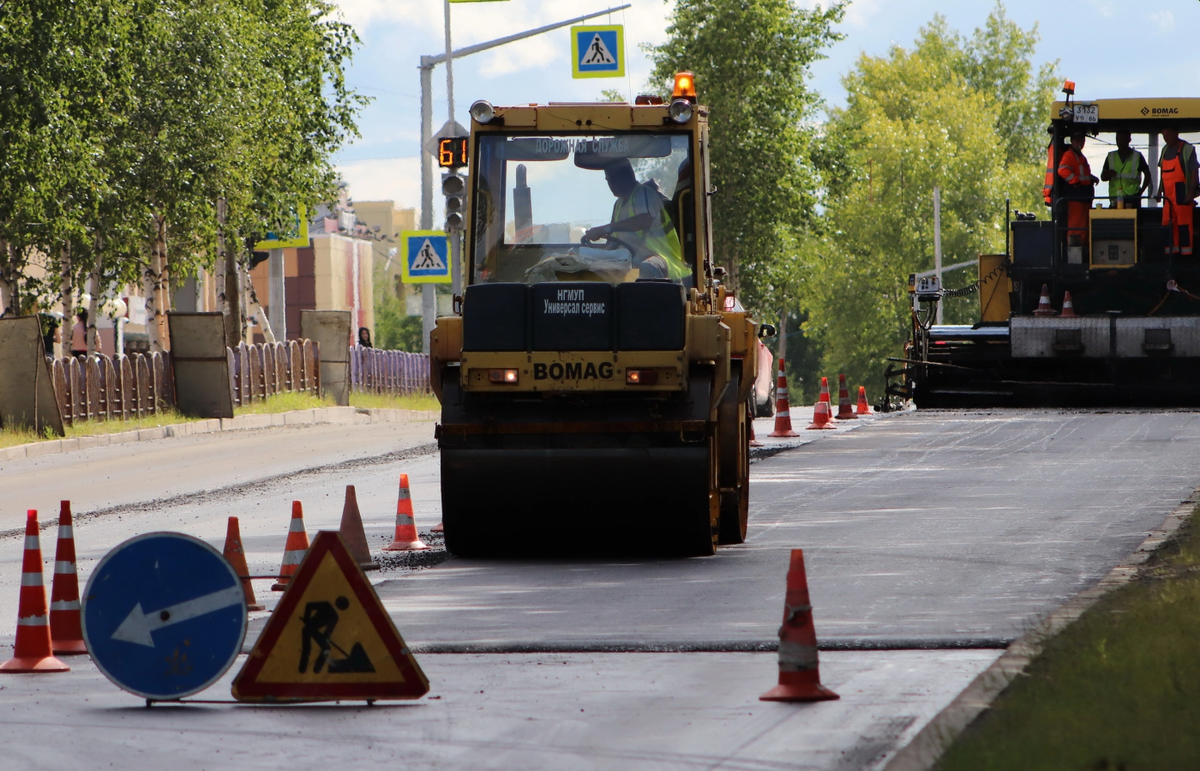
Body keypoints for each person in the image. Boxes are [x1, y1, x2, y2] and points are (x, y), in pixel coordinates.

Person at [584, 159, 689, 282]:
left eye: (613, 178)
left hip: (660, 257)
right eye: (608, 180)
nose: (611, 184)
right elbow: (615, 240)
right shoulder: (618, 204)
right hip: (630, 258)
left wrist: (605, 228)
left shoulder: (644, 193)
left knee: (646, 268)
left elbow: (644, 220)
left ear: (627, 176)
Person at [1159, 127, 1198, 256]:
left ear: (1176, 133)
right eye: (1164, 136)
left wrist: (1191, 193)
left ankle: (1186, 254)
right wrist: (1160, 191)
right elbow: (1162, 173)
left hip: (1181, 192)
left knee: (1184, 224)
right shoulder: (1165, 150)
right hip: (1168, 195)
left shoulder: (1187, 149)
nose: (1166, 138)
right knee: (1167, 224)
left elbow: (1194, 172)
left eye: (1168, 135)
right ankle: (1171, 253)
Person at [1057, 130, 1099, 248]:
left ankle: (1084, 252)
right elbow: (1062, 170)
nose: (1080, 143)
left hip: (1084, 198)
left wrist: (1091, 178)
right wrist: (1074, 181)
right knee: (1076, 228)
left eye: (1082, 140)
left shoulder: (1080, 156)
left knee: (1084, 227)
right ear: (1072, 141)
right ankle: (1075, 255)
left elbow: (1082, 175)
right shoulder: (1069, 155)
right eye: (1077, 140)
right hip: (1076, 199)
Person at [1100, 130, 1150, 208]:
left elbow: (1148, 174)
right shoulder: (1111, 156)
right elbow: (1103, 177)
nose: (1119, 142)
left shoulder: (1137, 156)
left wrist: (1141, 191)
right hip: (1115, 197)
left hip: (1133, 197)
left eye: (1122, 139)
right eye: (1117, 139)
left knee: (1134, 219)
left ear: (1129, 140)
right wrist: (1108, 174)